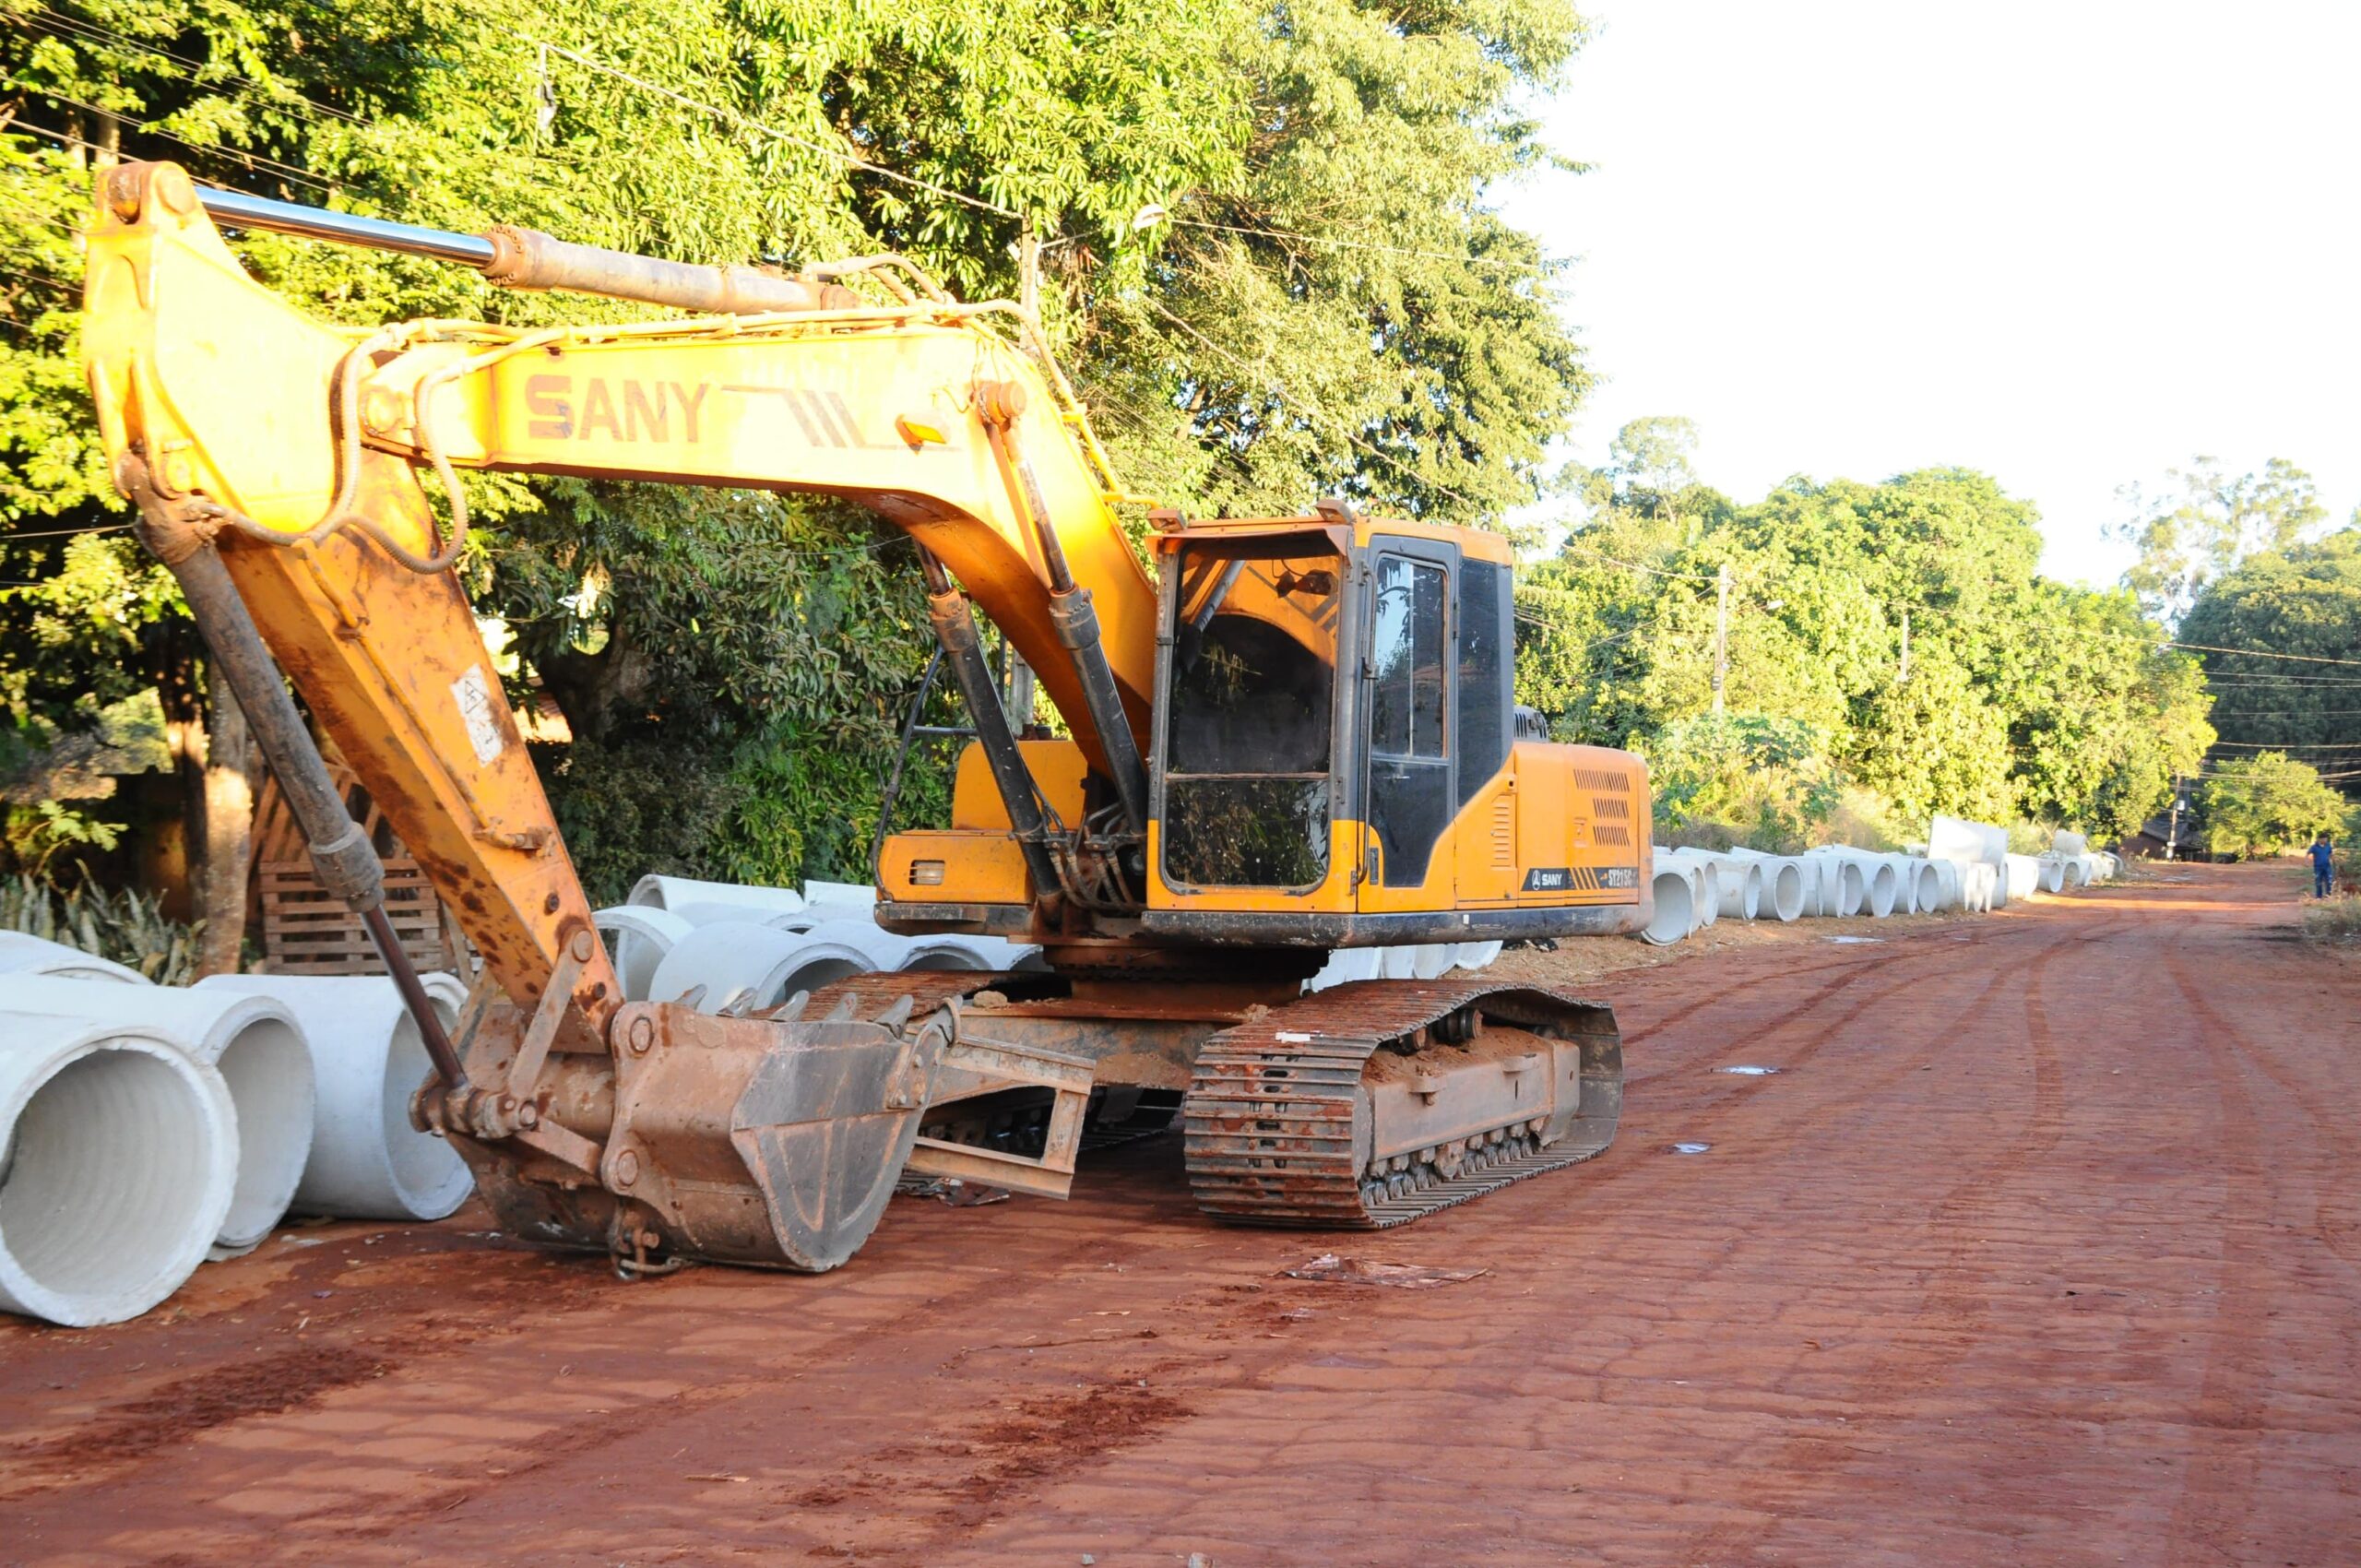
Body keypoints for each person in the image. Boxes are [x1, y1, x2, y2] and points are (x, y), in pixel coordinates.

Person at [2308, 832, 2335, 898]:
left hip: (2327, 866)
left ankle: (2328, 896)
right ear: (2319, 839)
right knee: (2318, 882)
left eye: (2326, 839)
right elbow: (2308, 854)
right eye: (2324, 839)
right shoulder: (2314, 847)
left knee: (2329, 881)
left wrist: (2334, 861)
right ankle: (2318, 897)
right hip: (2318, 867)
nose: (2325, 841)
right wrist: (2307, 862)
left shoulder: (2328, 846)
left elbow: (2331, 854)